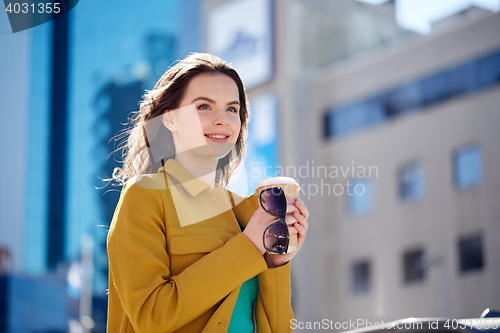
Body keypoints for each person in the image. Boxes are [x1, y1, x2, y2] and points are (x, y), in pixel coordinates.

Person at [106, 53, 310, 333]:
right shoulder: (144, 195)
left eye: (232, 109)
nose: (222, 120)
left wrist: (277, 262)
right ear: (169, 119)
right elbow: (152, 317)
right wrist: (249, 246)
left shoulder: (246, 212)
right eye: (204, 106)